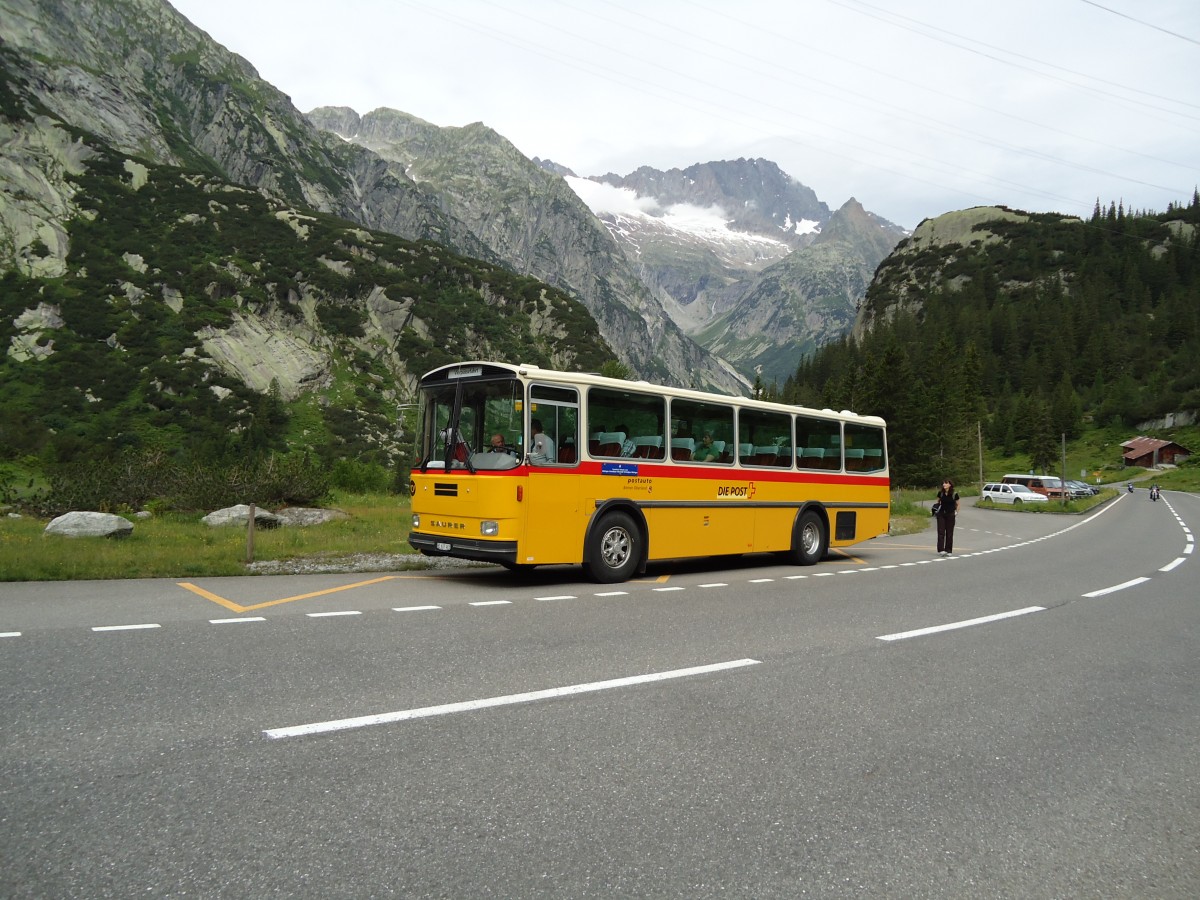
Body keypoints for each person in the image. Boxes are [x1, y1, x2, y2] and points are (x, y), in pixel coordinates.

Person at [934, 478, 960, 556]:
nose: (944, 484)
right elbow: (938, 502)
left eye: (946, 483)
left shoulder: (954, 494)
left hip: (950, 514)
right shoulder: (940, 493)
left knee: (949, 533)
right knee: (941, 532)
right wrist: (936, 509)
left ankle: (948, 550)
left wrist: (956, 512)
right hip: (941, 514)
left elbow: (958, 504)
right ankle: (941, 550)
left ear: (950, 484)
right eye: (943, 483)